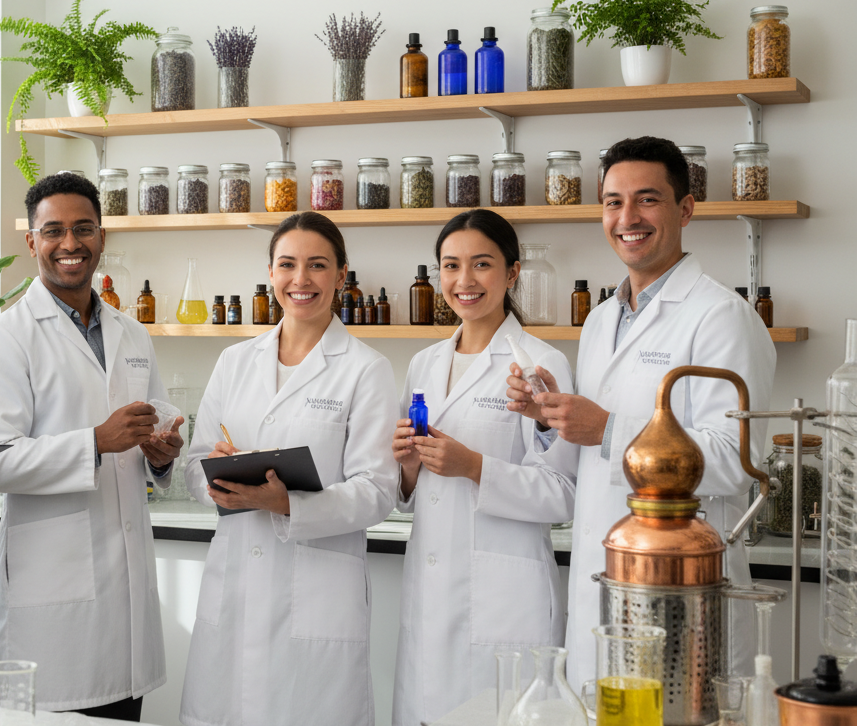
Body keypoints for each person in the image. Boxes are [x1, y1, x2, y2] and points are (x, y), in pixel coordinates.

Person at [506, 136, 776, 684]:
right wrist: (549, 416)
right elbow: (593, 456)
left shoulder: (722, 316)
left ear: (685, 208)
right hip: (604, 580)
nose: (627, 217)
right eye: (612, 202)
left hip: (682, 590)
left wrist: (607, 430)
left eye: (647, 199)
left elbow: (736, 459)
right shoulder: (603, 319)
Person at [0, 172, 181, 722]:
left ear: (102, 237)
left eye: (83, 228)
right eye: (54, 230)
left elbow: (154, 422)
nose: (70, 244)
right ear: (32, 241)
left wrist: (162, 452)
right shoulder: (6, 337)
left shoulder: (132, 334)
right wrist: (95, 442)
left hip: (125, 592)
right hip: (52, 593)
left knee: (121, 710)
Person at [179, 211, 398, 726]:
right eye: (287, 265)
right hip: (234, 583)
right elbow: (195, 465)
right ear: (271, 272)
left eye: (317, 265)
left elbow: (377, 490)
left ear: (341, 276)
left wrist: (284, 503)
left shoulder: (366, 369)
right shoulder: (235, 361)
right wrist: (218, 478)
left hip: (318, 589)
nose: (301, 280)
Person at [390, 210, 578, 724]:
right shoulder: (424, 363)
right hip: (430, 586)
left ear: (512, 273)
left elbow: (563, 492)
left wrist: (474, 467)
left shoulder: (540, 364)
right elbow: (408, 488)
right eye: (450, 265)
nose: (463, 281)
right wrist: (406, 464)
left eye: (481, 264)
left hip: (503, 594)